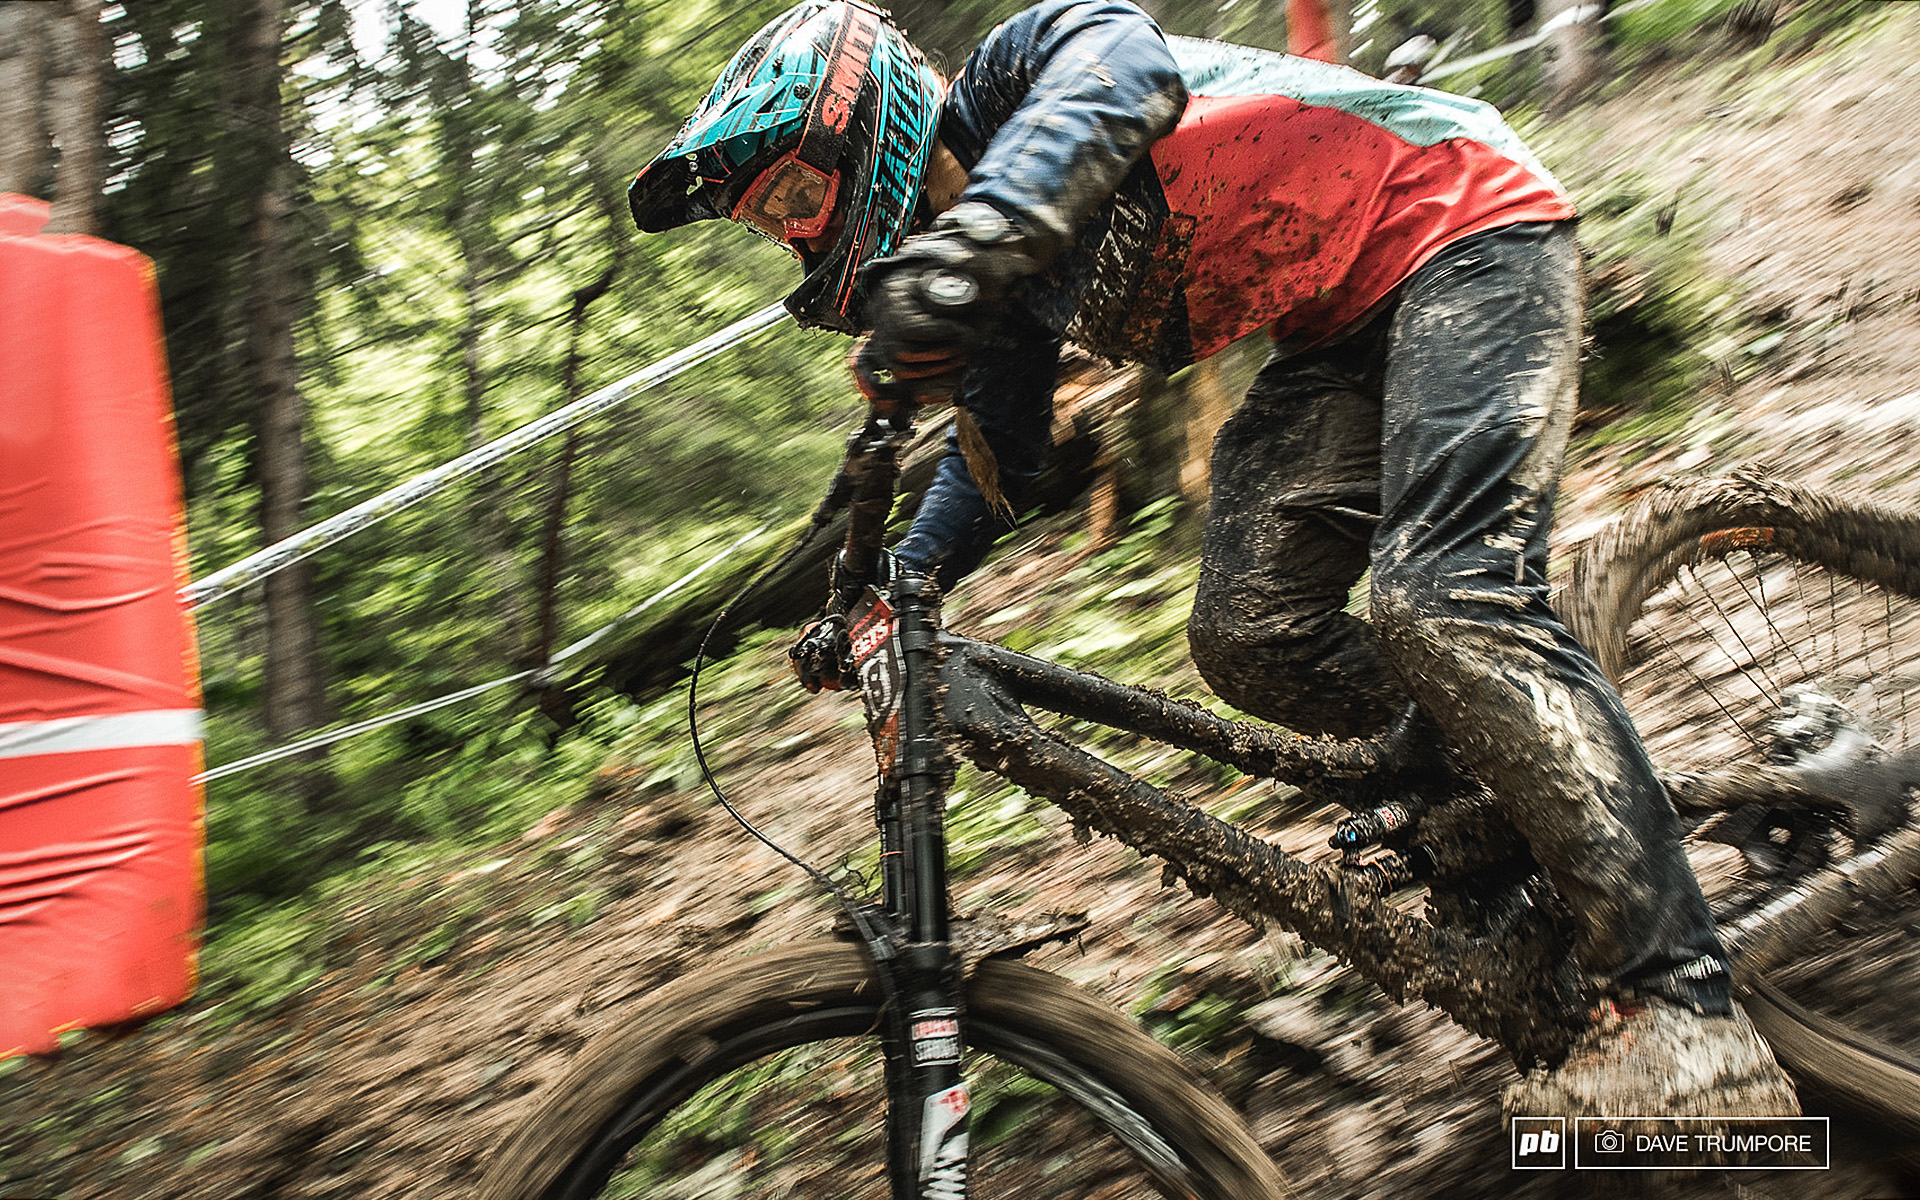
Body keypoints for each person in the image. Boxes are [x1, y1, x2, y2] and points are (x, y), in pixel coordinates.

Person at [628, 0, 1797, 1118]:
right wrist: (894, 583)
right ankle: (1502, 822)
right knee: (1247, 633)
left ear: (862, 120)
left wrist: (973, 246)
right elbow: (1002, 459)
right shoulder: (1003, 289)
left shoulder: (1025, 69)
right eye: (770, 226)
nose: (794, 236)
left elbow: (1128, 69)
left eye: (793, 197)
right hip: (1337, 333)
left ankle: (1687, 1011)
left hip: (1468, 227)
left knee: (1443, 599)